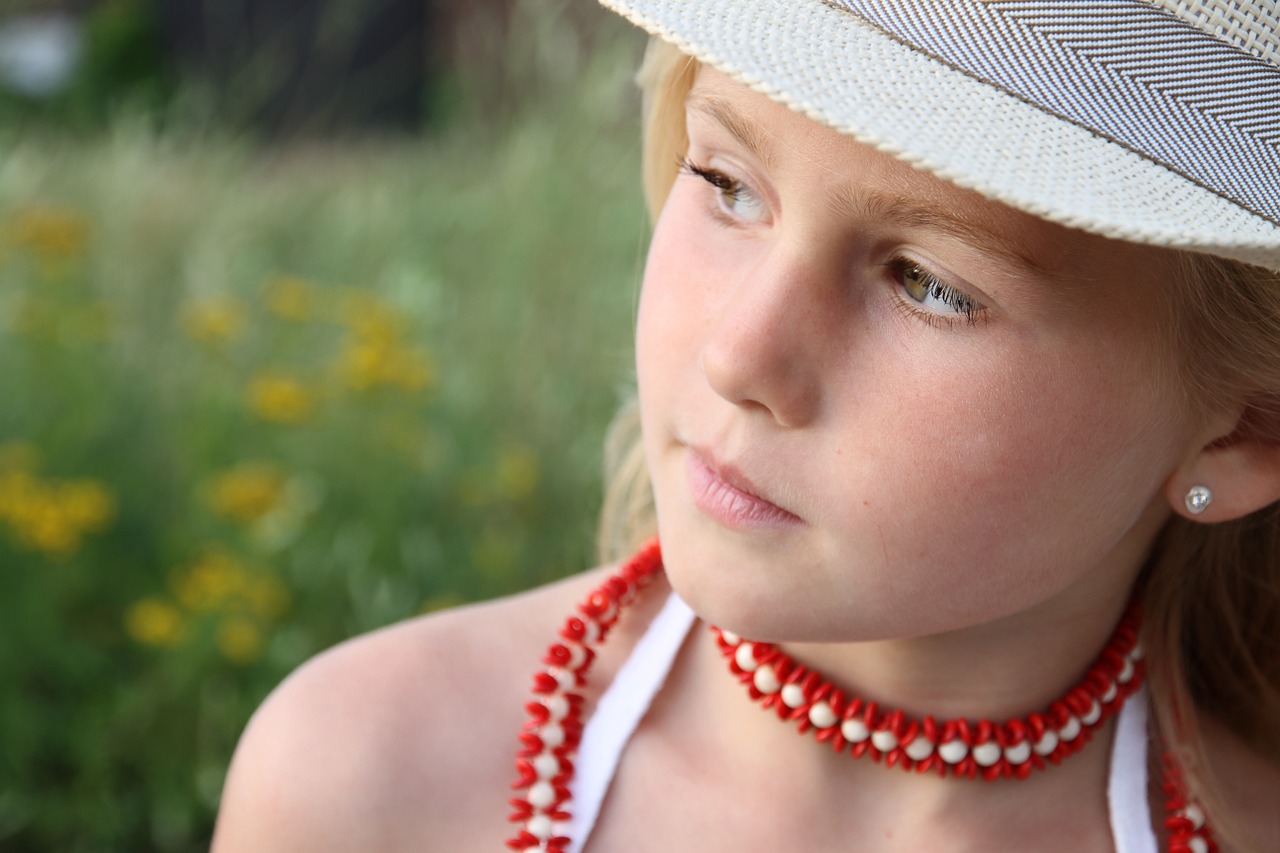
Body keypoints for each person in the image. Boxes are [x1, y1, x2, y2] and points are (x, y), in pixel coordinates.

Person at [210, 1, 1280, 850]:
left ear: (1247, 433)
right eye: (724, 180)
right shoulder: (365, 779)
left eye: (931, 285)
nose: (739, 354)